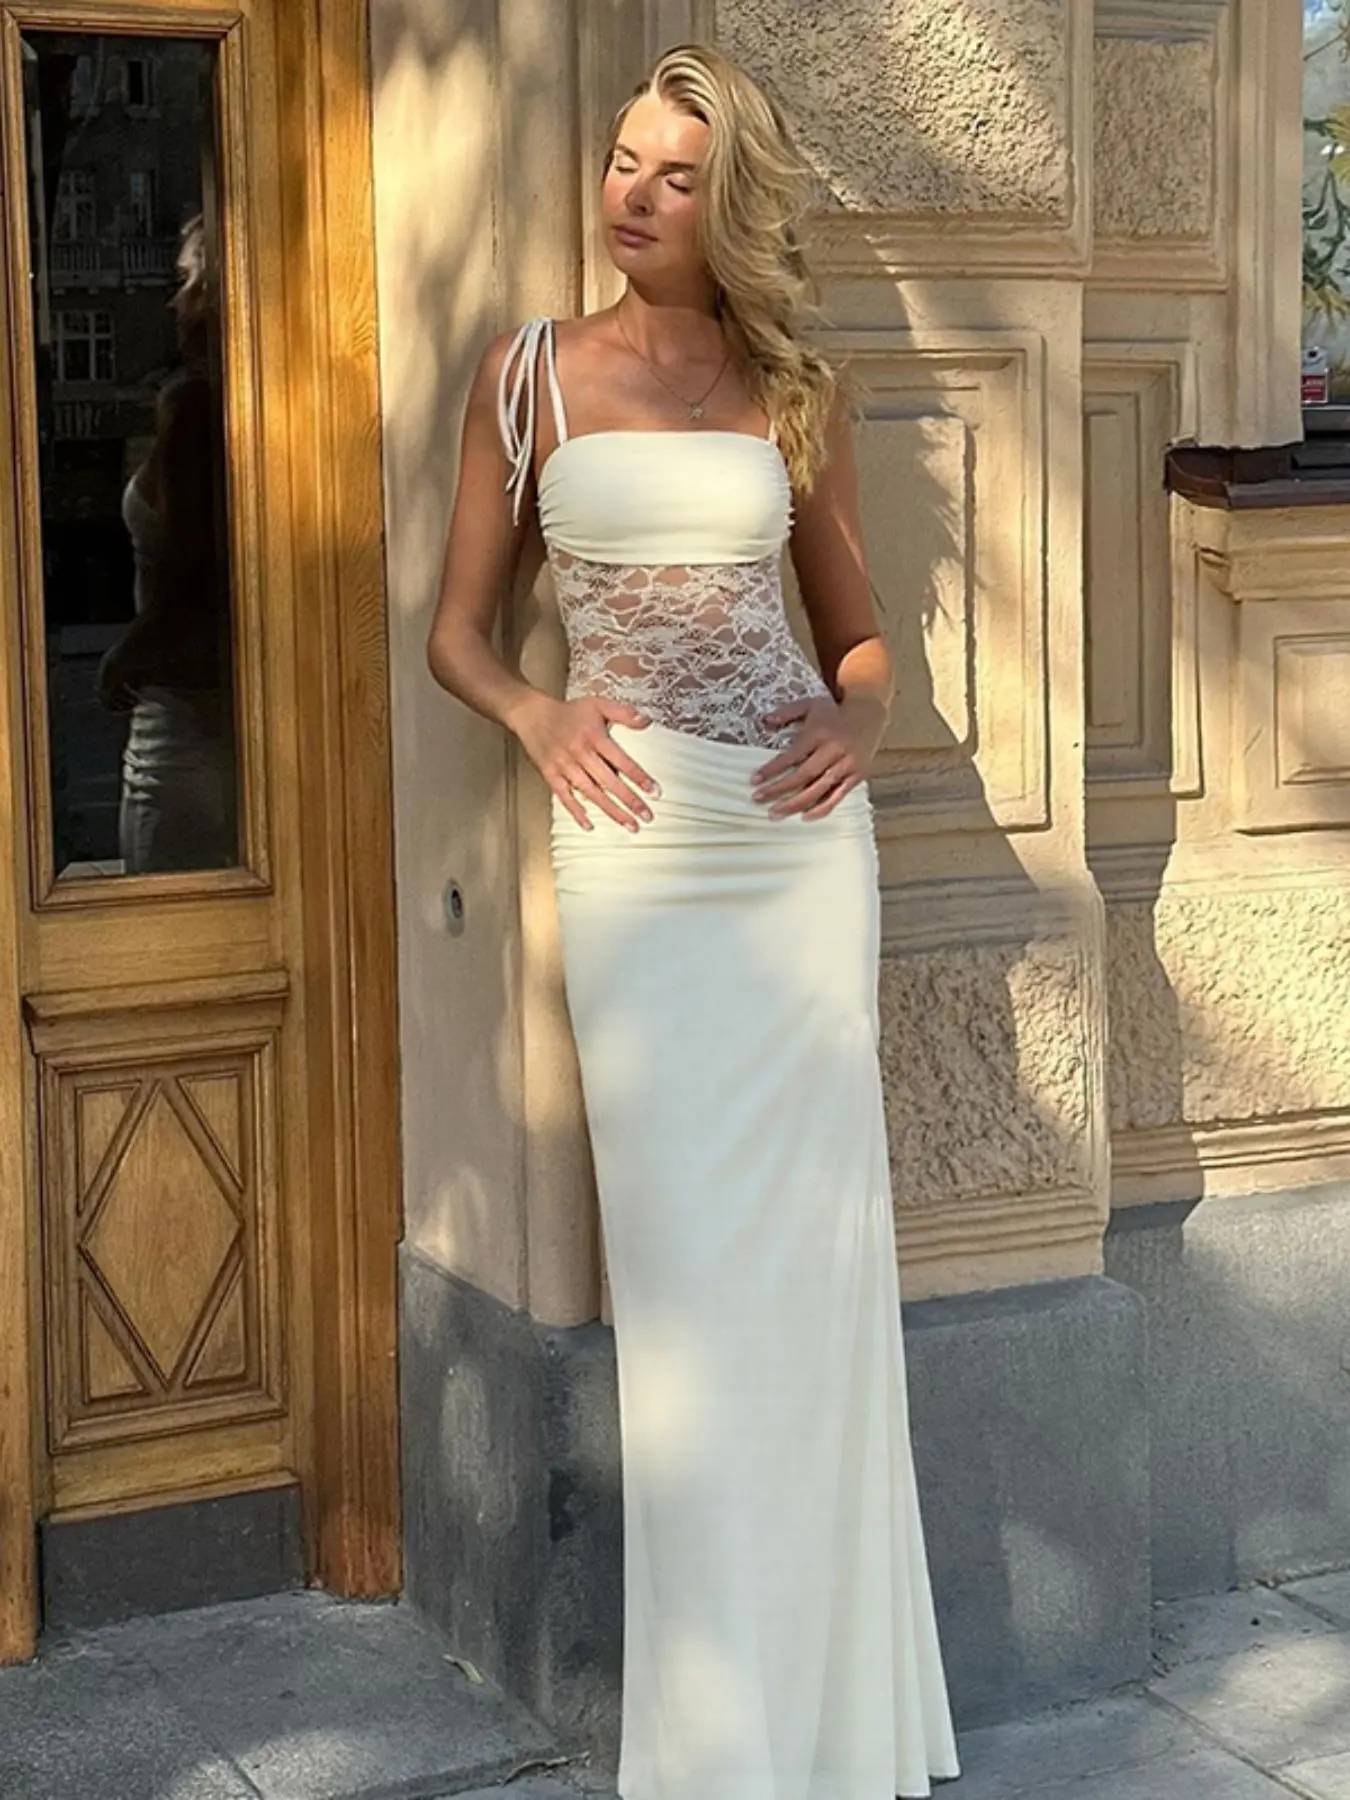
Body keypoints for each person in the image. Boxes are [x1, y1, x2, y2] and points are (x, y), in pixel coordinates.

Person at [427, 41, 962, 1800]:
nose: (631, 195)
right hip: (637, 854)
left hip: (793, 855)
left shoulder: (789, 386)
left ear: (726, 203)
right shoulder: (525, 375)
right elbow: (457, 632)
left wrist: (857, 727)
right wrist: (537, 717)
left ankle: (836, 1735)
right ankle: (715, 1752)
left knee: (809, 1284)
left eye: (672, 175)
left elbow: (858, 639)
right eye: (620, 162)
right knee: (681, 1304)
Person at [100, 213, 236, 873]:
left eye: (187, 281)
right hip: (219, 726)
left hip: (177, 734)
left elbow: (192, 579)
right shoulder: (235, 402)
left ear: (218, 289)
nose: (174, 301)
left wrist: (120, 658)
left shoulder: (195, 407)